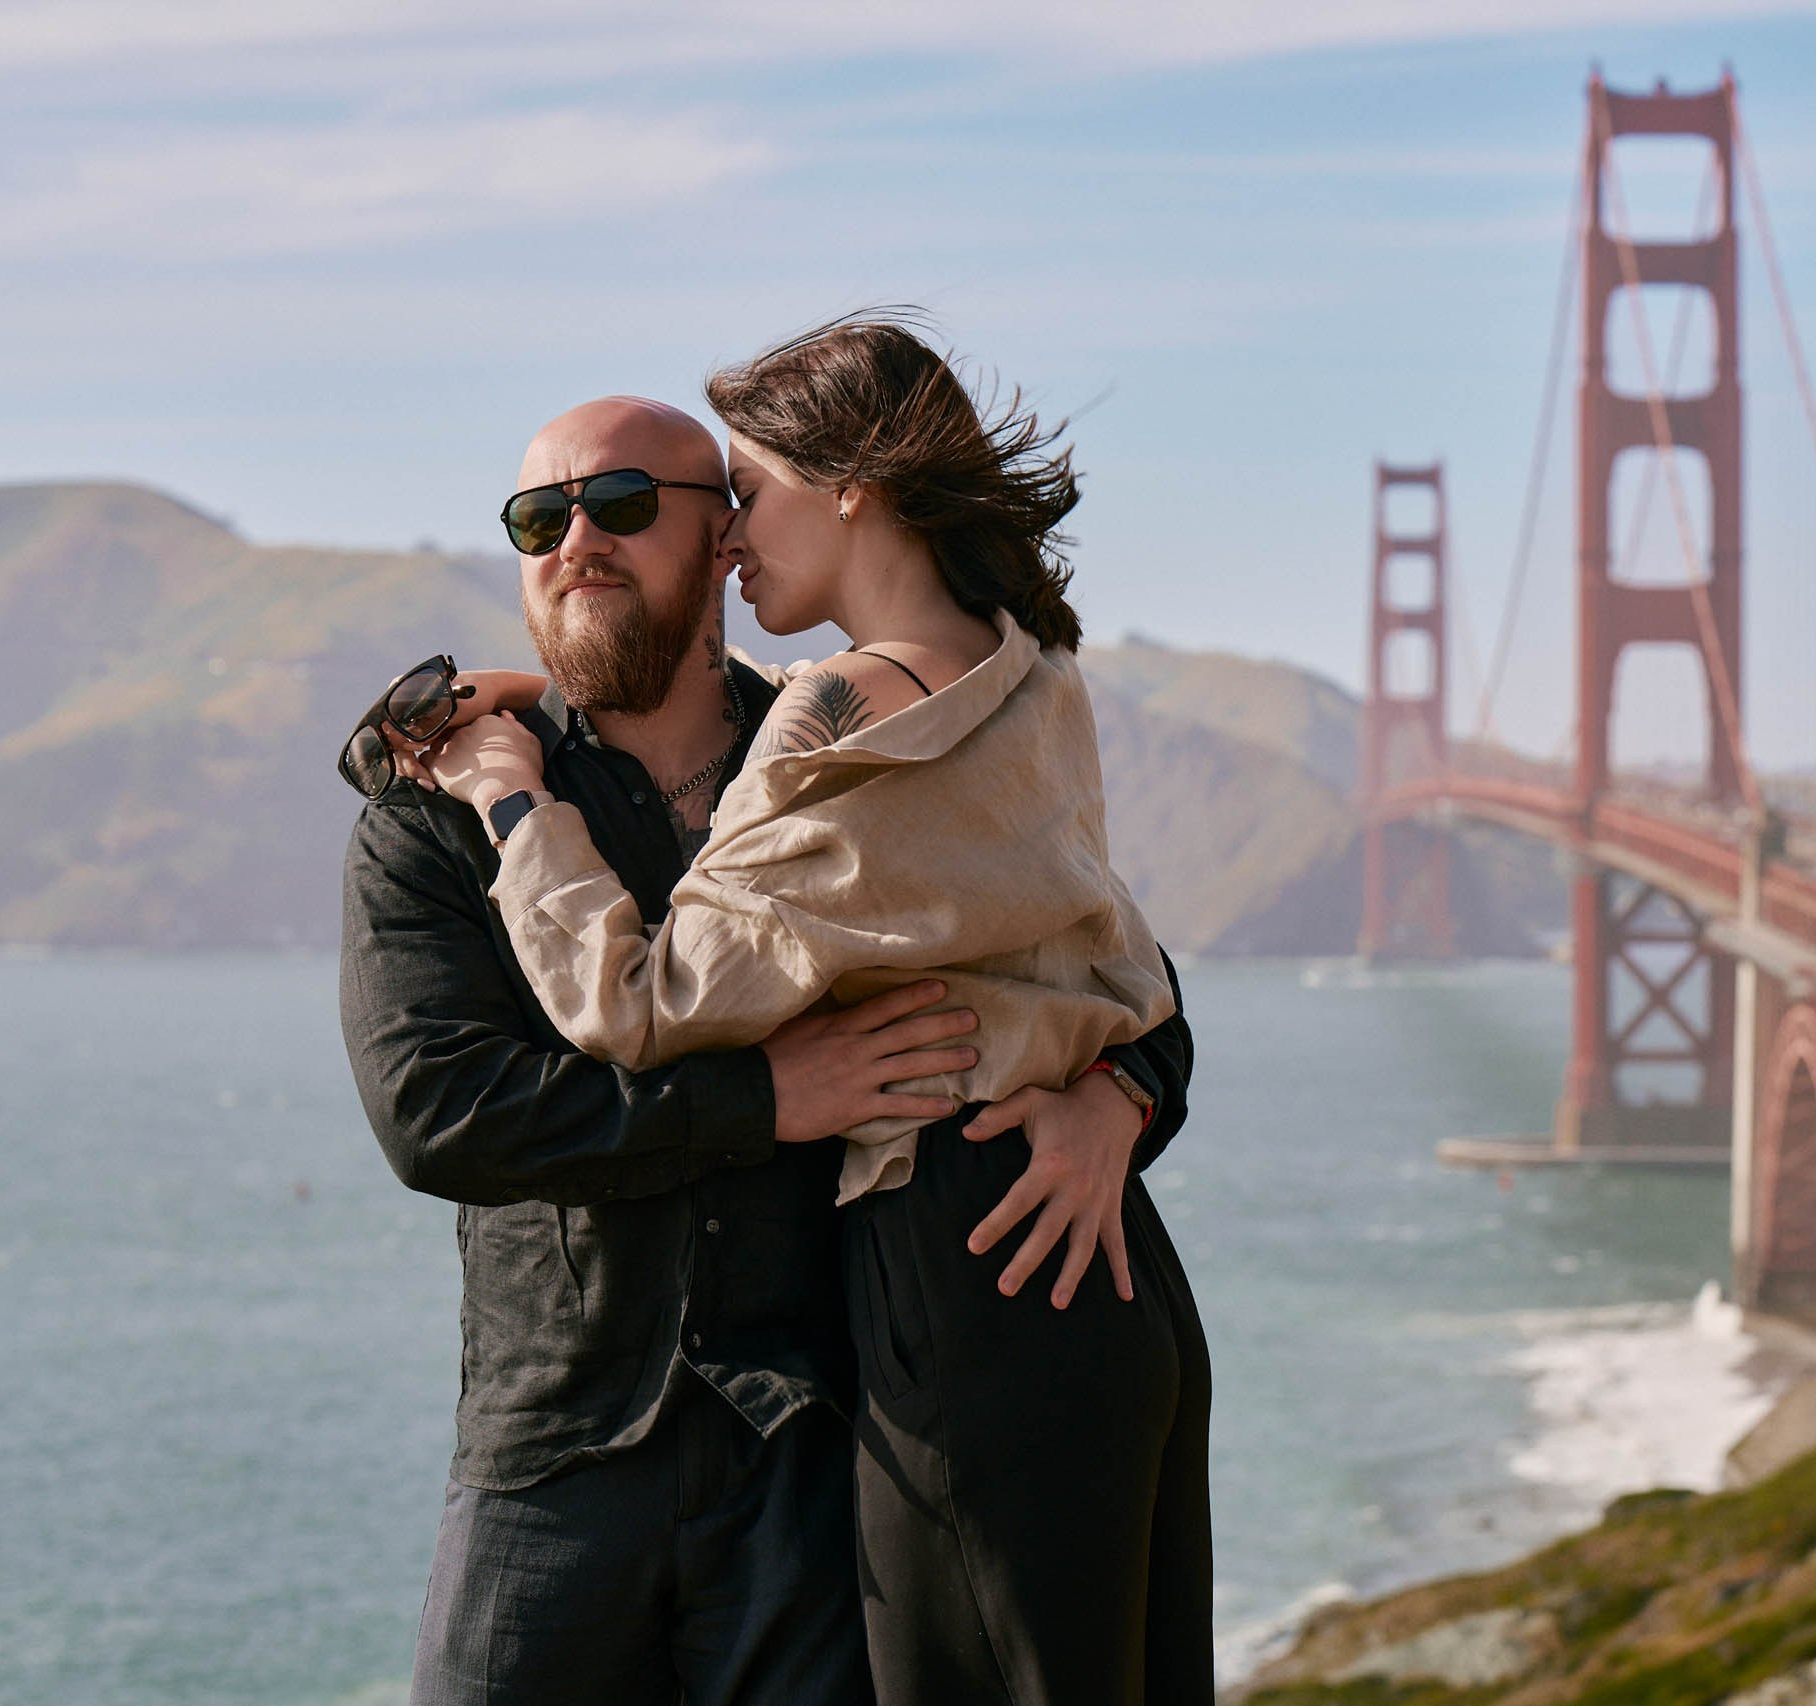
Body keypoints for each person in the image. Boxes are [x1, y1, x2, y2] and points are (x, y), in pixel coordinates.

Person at [336, 392, 1195, 1706]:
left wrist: (1122, 1092)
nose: (577, 538)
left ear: (723, 535)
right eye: (538, 517)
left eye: (621, 504)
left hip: (820, 1467)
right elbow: (441, 1115)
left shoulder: (860, 757)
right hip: (550, 1464)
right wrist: (769, 1097)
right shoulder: (443, 810)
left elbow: (1104, 960)